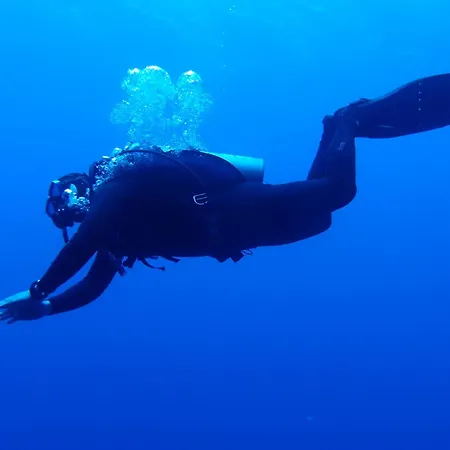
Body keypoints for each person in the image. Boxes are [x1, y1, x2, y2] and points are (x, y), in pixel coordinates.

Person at [2, 73, 450, 324]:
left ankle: (349, 120)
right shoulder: (116, 232)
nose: (72, 214)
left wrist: (39, 289)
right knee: (321, 218)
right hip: (238, 233)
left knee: (337, 193)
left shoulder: (117, 184)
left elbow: (84, 241)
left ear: (82, 188)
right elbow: (93, 285)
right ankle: (333, 128)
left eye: (68, 202)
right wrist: (47, 307)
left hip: (231, 206)